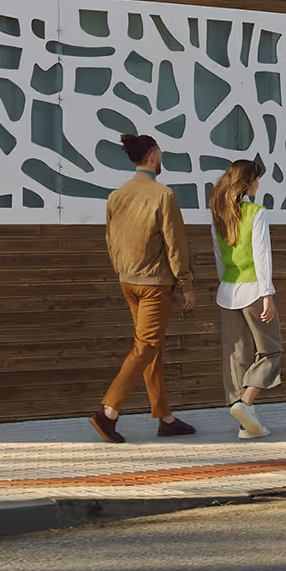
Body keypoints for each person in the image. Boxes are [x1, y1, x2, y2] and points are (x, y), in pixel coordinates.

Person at [94, 133, 200, 443]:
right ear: (152, 156)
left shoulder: (117, 195)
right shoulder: (163, 195)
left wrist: (121, 270)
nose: (162, 158)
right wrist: (186, 284)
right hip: (155, 284)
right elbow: (176, 244)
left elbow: (110, 239)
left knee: (151, 346)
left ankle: (164, 417)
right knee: (146, 347)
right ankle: (108, 411)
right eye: (161, 153)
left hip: (128, 280)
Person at [208, 158, 282, 439]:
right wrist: (267, 294)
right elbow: (262, 256)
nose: (258, 183)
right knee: (271, 351)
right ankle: (245, 403)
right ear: (248, 183)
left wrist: (225, 283)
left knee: (236, 357)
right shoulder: (257, 213)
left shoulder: (218, 214)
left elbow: (218, 256)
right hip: (253, 291)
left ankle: (245, 422)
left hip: (227, 291)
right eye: (257, 179)